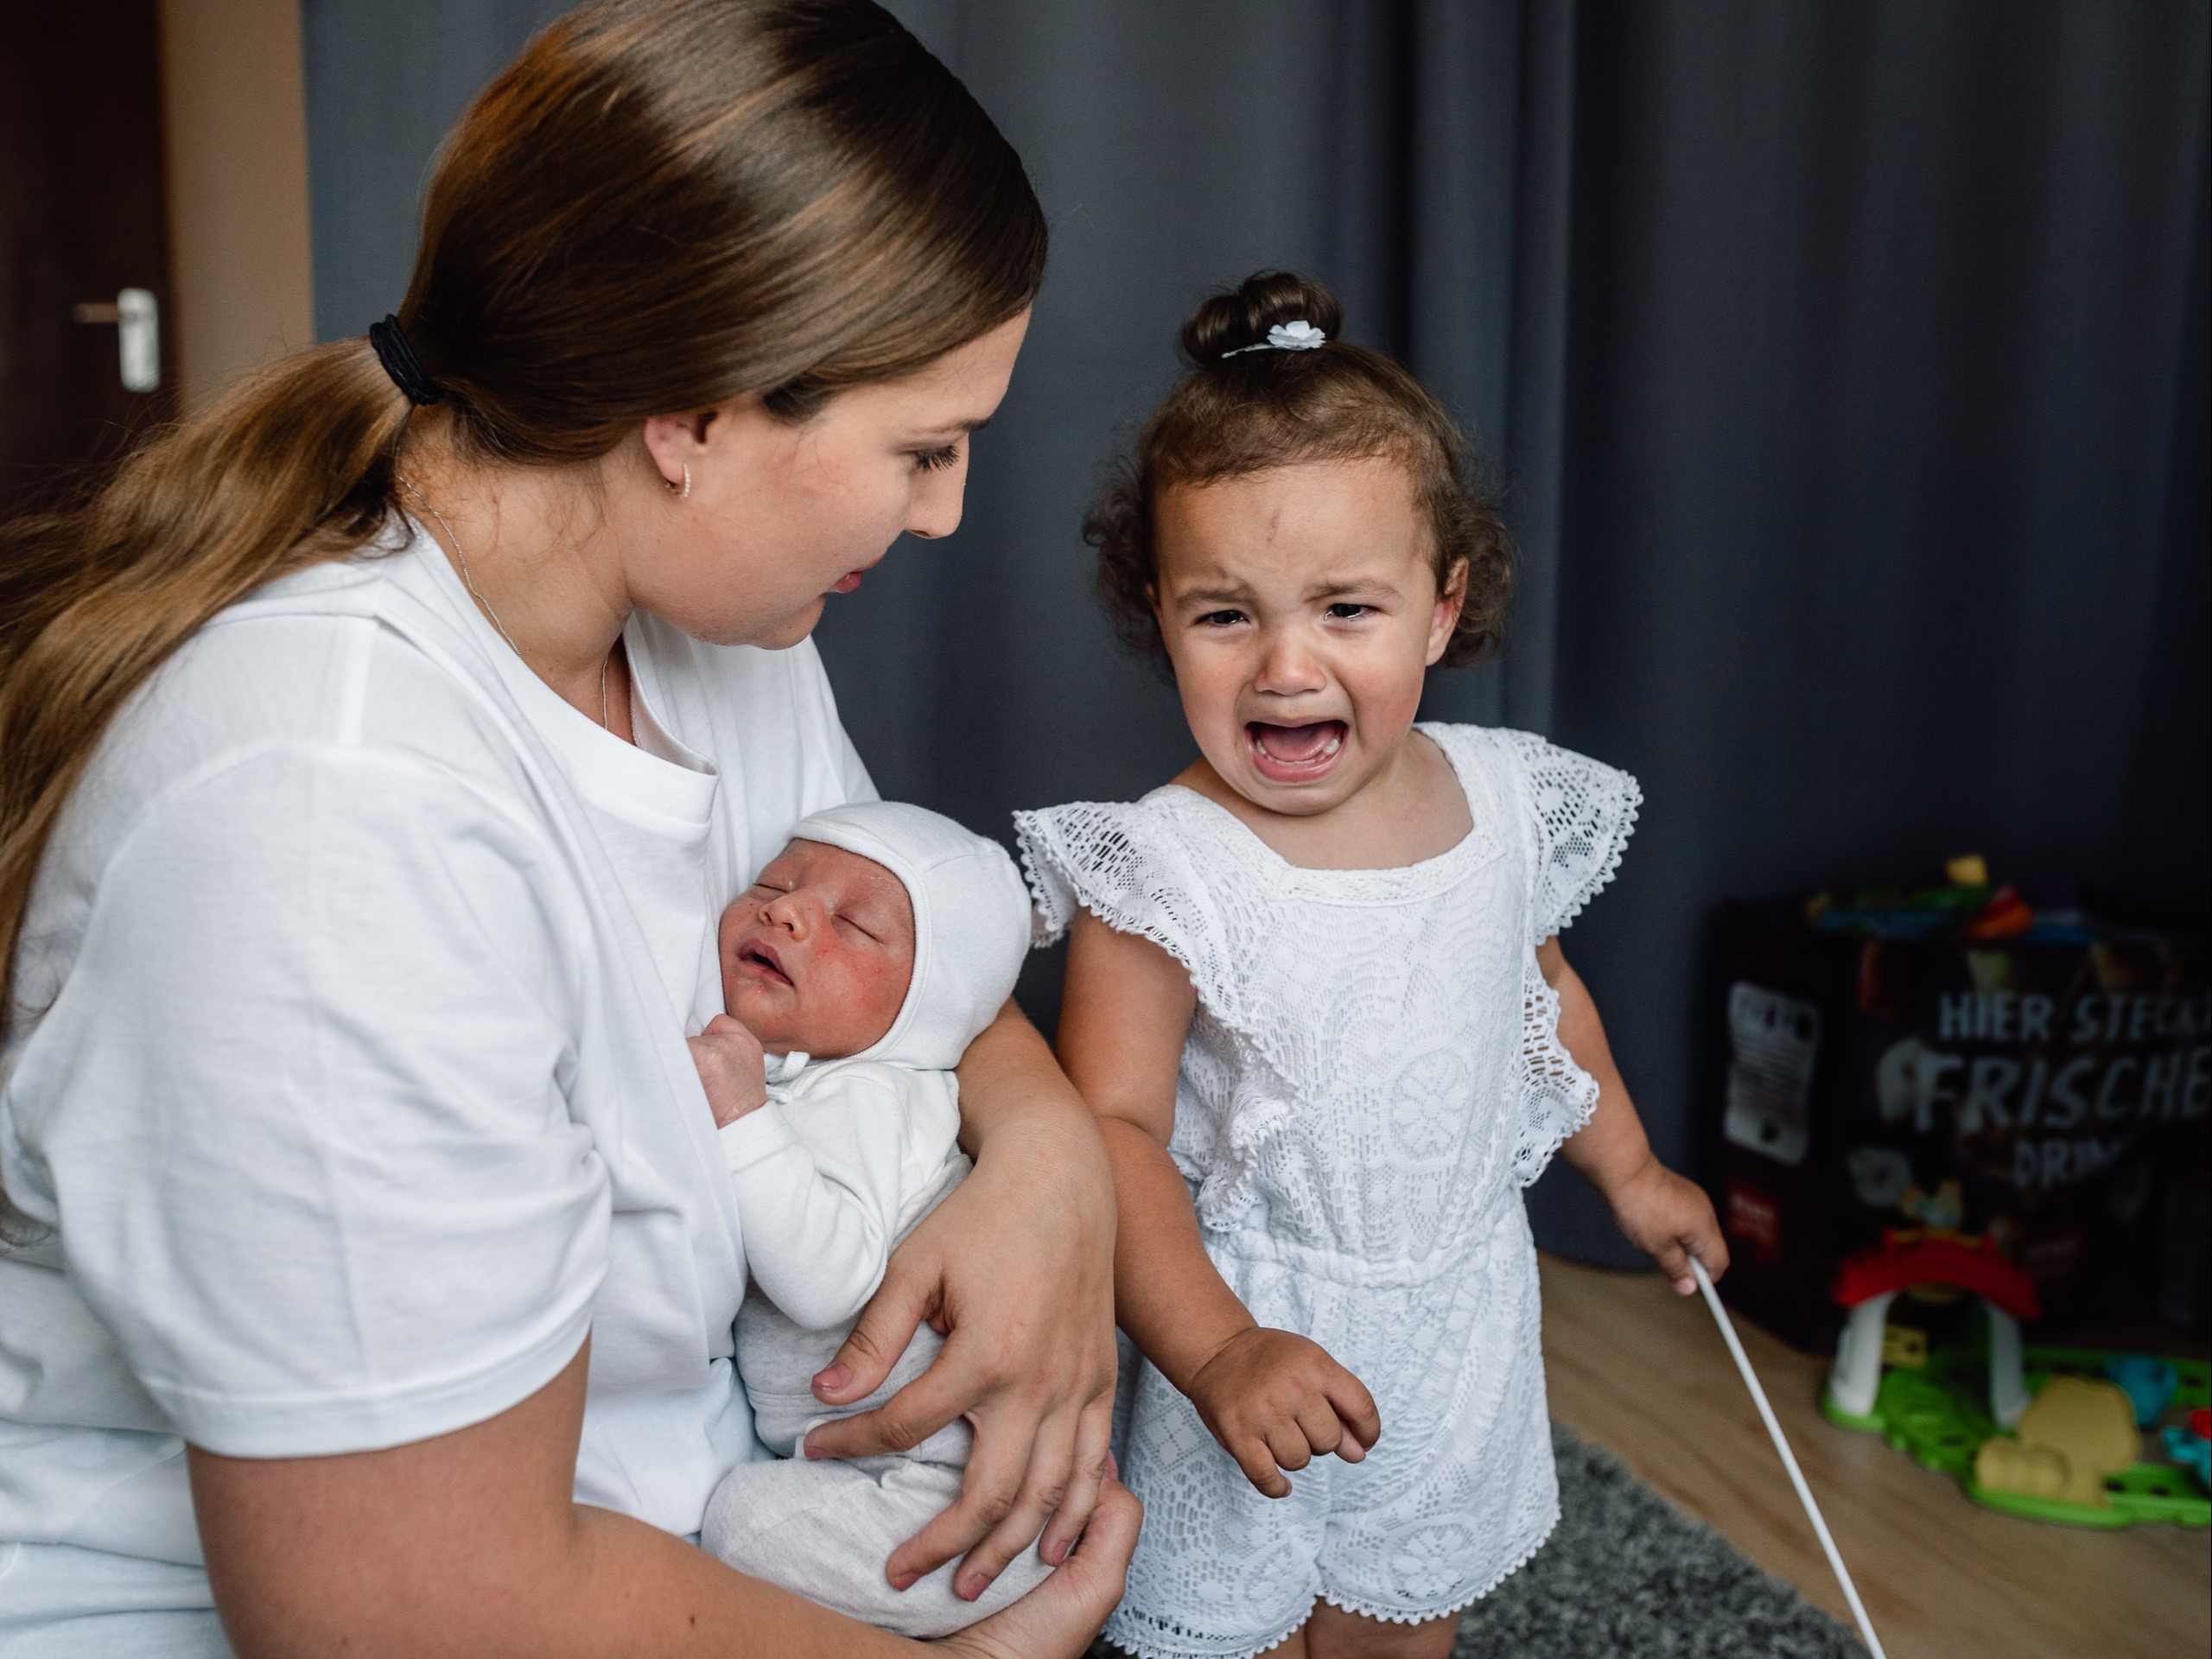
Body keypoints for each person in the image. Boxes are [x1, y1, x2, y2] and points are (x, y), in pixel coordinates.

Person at [0, 3, 1134, 1656]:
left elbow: (907, 952)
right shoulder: (328, 822)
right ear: (691, 416)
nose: (947, 510)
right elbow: (413, 1620)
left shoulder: (724, 636)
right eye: (923, 448)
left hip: (676, 1528)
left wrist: (1050, 1166)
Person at [1016, 270, 1728, 1659]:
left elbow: (1543, 1000)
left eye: (1348, 610)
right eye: (1226, 615)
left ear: (1443, 608)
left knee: (1405, 1623)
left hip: (1458, 1315)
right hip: (1251, 1321)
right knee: (1243, 1636)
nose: (1287, 664)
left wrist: (1631, 1174)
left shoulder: (1504, 802)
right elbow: (1110, 1131)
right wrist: (1219, 1349)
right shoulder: (1162, 870)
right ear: (1156, 613)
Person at [685, 802, 1053, 1634]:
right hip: (926, 1477)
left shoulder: (873, 1093)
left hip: (958, 1493)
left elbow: (827, 1284)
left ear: (928, 1006)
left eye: (852, 925)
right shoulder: (829, 1077)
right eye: (773, 884)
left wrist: (740, 1117)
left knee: (736, 1529)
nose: (786, 909)